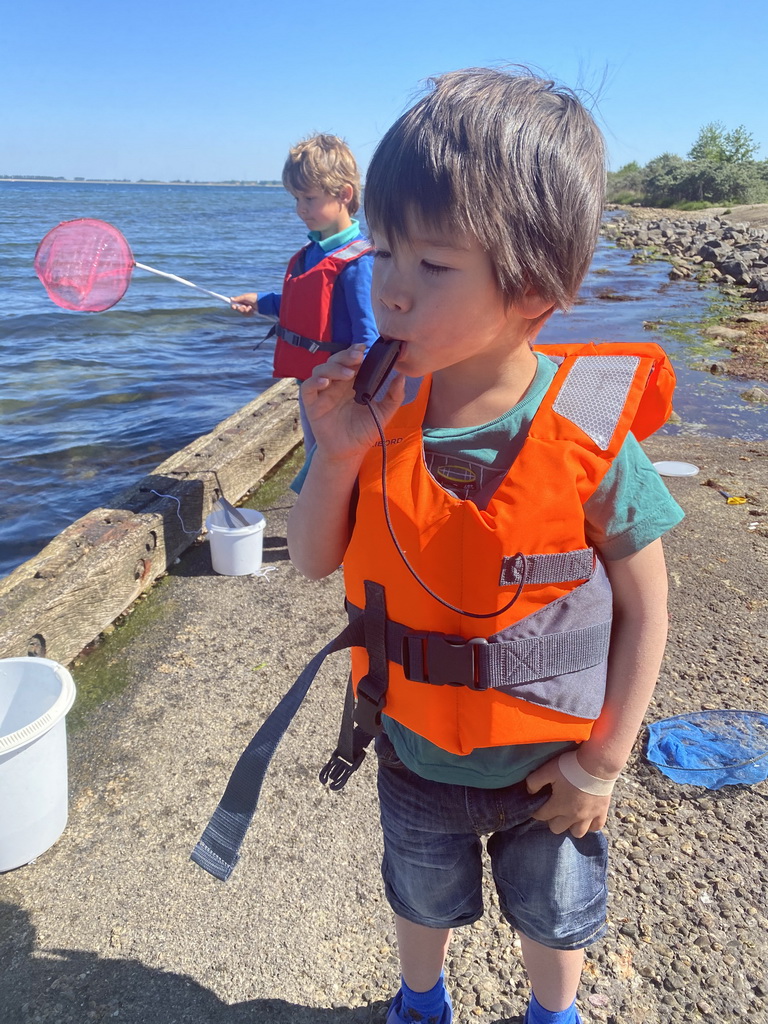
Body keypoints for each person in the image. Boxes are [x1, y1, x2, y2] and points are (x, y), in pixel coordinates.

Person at [286, 69, 684, 1024]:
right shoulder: (373, 411)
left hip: (552, 760)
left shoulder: (588, 429)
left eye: (433, 266)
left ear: (535, 291)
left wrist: (603, 762)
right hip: (415, 749)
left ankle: (554, 1014)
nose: (390, 292)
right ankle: (421, 998)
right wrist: (335, 457)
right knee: (419, 896)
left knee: (556, 918)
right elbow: (308, 558)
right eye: (382, 253)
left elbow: (647, 608)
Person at [231, 133, 377, 478]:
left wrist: (364, 397)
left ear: (344, 194)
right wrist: (262, 302)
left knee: (334, 465)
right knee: (317, 456)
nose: (301, 209)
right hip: (308, 384)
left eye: (309, 198)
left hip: (339, 391)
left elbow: (368, 334)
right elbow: (306, 307)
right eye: (296, 198)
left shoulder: (357, 262)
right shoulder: (313, 252)